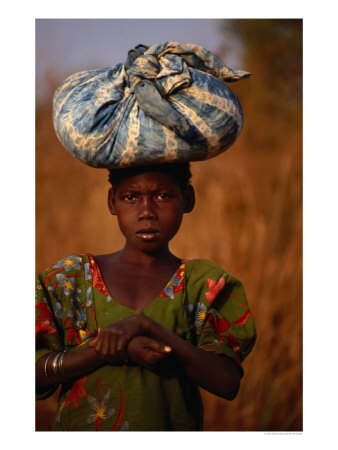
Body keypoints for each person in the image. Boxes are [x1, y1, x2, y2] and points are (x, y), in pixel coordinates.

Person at [35, 42, 256, 431]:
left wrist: (150, 328)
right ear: (112, 203)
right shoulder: (68, 280)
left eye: (164, 195)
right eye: (131, 197)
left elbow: (226, 382)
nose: (147, 210)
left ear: (187, 199)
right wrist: (112, 351)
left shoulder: (205, 284)